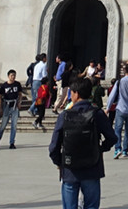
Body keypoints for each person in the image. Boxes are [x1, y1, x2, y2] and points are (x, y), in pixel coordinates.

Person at [49, 79, 117, 209]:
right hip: (92, 166)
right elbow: (112, 138)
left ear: (76, 94)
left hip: (70, 170)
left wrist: (60, 162)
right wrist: (100, 148)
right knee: (91, 206)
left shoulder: (64, 115)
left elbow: (54, 146)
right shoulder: (97, 114)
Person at [105, 62, 128, 159]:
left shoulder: (119, 81)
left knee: (117, 129)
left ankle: (118, 148)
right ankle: (125, 150)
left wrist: (108, 108)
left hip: (120, 108)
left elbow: (112, 95)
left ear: (125, 71)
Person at [0, 70, 22, 149]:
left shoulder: (17, 84)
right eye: (11, 75)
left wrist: (19, 102)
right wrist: (0, 108)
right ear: (8, 76)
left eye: (14, 75)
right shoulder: (4, 86)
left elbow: (20, 94)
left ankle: (12, 142)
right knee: (3, 124)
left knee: (14, 125)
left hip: (14, 105)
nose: (13, 77)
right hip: (6, 105)